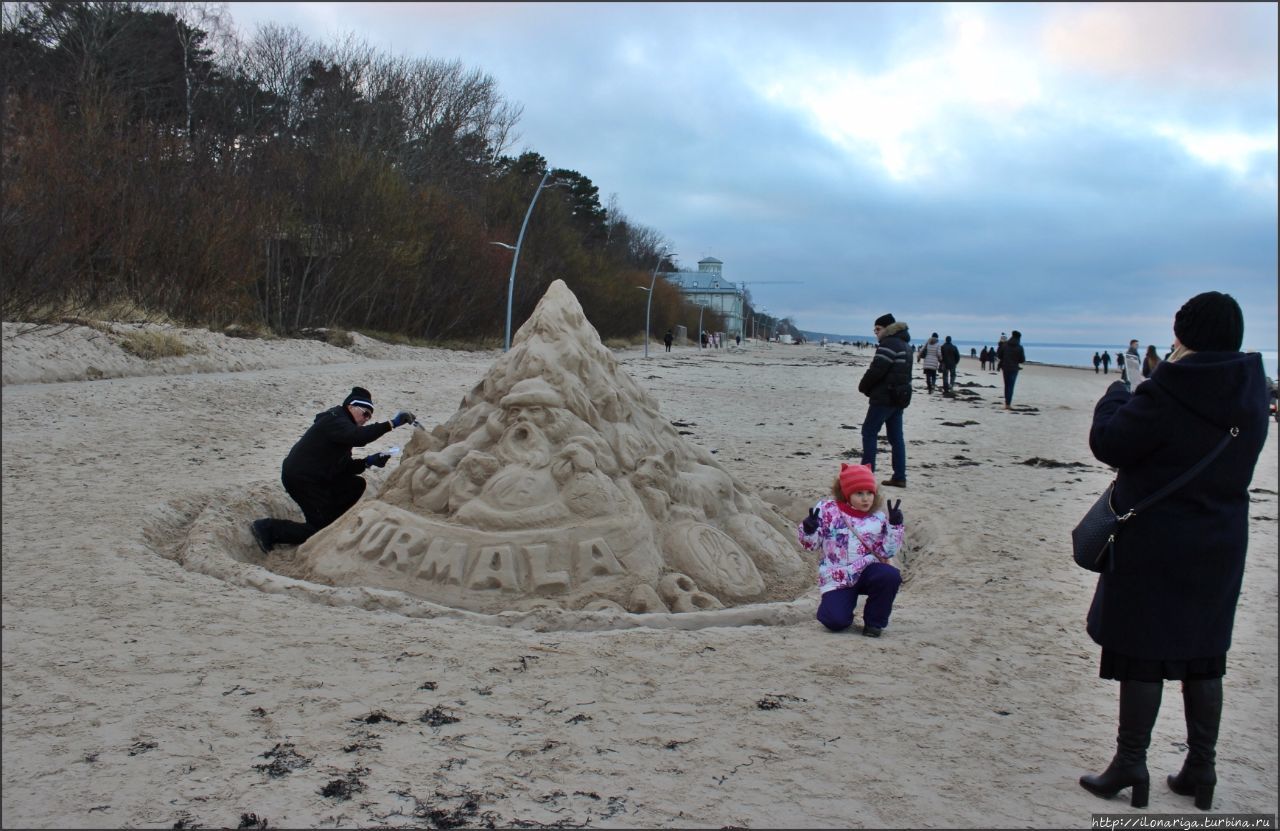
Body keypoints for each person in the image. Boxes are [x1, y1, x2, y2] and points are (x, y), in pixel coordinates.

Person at [1078, 292, 1268, 812]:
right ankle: (1200, 769)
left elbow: (1111, 443)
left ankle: (1130, 763)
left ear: (1186, 334)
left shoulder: (1169, 387)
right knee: (1205, 655)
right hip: (1221, 538)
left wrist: (1116, 393)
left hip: (1155, 538)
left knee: (1141, 650)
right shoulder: (1253, 388)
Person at [249, 387, 417, 553]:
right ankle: (268, 528)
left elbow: (343, 467)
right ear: (351, 406)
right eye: (365, 413)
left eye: (370, 416)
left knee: (356, 484)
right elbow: (358, 437)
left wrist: (369, 461)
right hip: (301, 479)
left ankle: (331, 522)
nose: (366, 419)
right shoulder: (335, 419)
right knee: (318, 530)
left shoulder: (343, 428)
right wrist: (392, 424)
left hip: (318, 480)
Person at [797, 463, 904, 637]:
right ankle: (843, 609)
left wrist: (895, 526)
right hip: (837, 575)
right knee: (834, 621)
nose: (866, 499)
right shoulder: (827, 511)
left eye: (869, 493)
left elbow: (887, 552)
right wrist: (808, 530)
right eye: (859, 493)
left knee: (889, 575)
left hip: (868, 571)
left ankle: (874, 623)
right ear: (846, 493)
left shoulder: (878, 517)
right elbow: (811, 546)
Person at [857, 313, 911, 488]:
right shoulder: (905, 345)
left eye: (878, 329)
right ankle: (900, 476)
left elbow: (876, 371)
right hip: (899, 398)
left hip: (884, 397)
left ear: (887, 329)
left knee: (869, 432)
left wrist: (863, 387)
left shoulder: (889, 344)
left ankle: (866, 475)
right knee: (896, 438)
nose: (876, 333)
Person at [996, 330, 1026, 409]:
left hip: (1005, 367)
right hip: (1014, 368)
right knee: (1011, 386)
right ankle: (1008, 403)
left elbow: (999, 355)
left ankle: (1007, 403)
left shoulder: (1005, 345)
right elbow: (1022, 360)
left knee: (1007, 385)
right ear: (1019, 338)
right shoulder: (1019, 347)